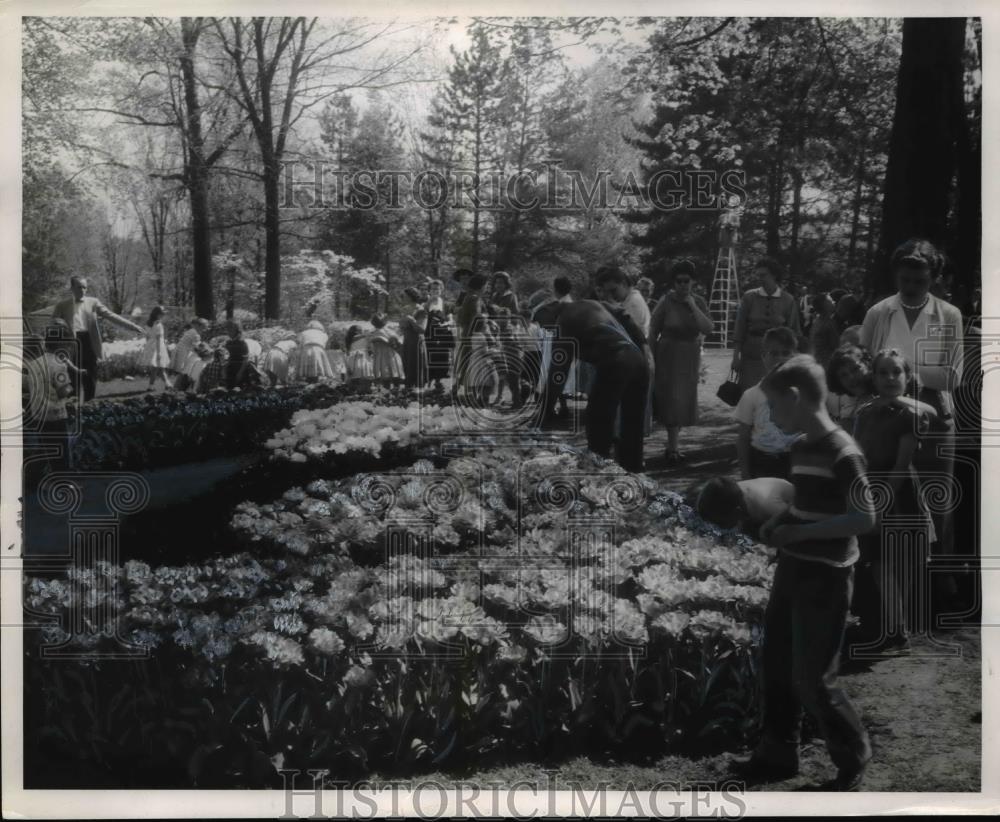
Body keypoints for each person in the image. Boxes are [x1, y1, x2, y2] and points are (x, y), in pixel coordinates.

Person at [731, 354, 875, 792]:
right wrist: (782, 522)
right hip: (793, 567)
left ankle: (853, 752)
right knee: (775, 662)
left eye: (774, 406)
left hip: (828, 576)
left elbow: (864, 518)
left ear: (795, 398)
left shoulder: (843, 452)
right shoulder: (800, 448)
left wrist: (802, 532)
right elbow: (803, 501)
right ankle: (777, 752)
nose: (770, 416)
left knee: (814, 677)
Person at [860, 238, 963, 566]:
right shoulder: (880, 313)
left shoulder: (948, 314)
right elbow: (863, 366)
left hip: (935, 415)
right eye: (905, 280)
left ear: (934, 278)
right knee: (888, 495)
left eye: (920, 281)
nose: (912, 287)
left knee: (937, 500)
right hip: (886, 414)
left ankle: (938, 582)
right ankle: (887, 580)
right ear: (895, 276)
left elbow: (954, 375)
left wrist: (906, 372)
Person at [850, 349, 939, 655]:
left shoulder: (911, 415)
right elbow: (858, 454)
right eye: (883, 372)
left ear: (907, 376)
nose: (890, 378)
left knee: (901, 561)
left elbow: (901, 465)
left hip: (898, 493)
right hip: (869, 488)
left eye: (896, 372)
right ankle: (895, 629)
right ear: (873, 377)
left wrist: (881, 502)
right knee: (877, 562)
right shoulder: (864, 412)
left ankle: (899, 628)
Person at [541, 299, 652, 473]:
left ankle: (600, 473)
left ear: (550, 311)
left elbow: (558, 374)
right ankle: (634, 471)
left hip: (615, 361)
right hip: (637, 359)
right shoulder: (592, 303)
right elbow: (625, 316)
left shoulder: (565, 321)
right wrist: (644, 345)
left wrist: (544, 413)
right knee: (632, 424)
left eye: (543, 323)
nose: (544, 329)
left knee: (598, 420)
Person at [649, 260, 713, 464]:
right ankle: (672, 447)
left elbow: (707, 328)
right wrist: (650, 357)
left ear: (693, 282)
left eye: (687, 281)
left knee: (683, 399)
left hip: (690, 355)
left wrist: (692, 305)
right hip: (668, 353)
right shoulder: (665, 301)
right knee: (672, 399)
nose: (683, 285)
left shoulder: (699, 302)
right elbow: (653, 330)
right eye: (679, 281)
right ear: (673, 283)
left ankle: (673, 445)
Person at [50, 275, 145, 401]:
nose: (82, 290)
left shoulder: (93, 302)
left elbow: (111, 315)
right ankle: (72, 407)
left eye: (85, 287)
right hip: (71, 343)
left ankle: (90, 405)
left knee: (90, 375)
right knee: (73, 376)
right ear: (72, 288)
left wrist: (132, 326)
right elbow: (53, 325)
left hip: (89, 341)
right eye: (79, 287)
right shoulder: (62, 305)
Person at [733, 327, 800, 480]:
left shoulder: (803, 393)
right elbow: (743, 438)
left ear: (794, 356)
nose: (780, 358)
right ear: (763, 356)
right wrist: (745, 473)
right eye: (774, 353)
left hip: (797, 461)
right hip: (763, 463)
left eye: (786, 353)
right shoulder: (751, 395)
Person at [22, 322, 85, 478]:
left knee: (47, 448)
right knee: (61, 450)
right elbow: (63, 390)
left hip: (38, 413)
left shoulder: (34, 364)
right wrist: (73, 395)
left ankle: (40, 477)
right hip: (54, 415)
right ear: (60, 344)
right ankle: (62, 483)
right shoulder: (58, 364)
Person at [731, 258, 801, 390]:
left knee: (774, 393)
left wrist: (792, 358)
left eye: (763, 275)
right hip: (751, 355)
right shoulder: (749, 297)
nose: (759, 278)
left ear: (774, 275)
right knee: (749, 392)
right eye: (758, 275)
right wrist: (736, 357)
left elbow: (793, 332)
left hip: (777, 355)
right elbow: (739, 329)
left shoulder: (788, 300)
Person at [689, 476, 794, 535]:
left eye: (721, 523)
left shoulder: (768, 507)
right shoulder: (727, 493)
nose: (719, 527)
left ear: (738, 511)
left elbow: (797, 524)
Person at [824, 344, 876, 430]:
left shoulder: (883, 396)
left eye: (855, 369)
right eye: (844, 375)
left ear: (867, 364)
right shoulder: (848, 406)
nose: (851, 377)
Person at [454, 274, 488, 400]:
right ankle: (467, 392)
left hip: (467, 333)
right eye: (486, 285)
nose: (486, 288)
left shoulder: (468, 297)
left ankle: (458, 389)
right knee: (471, 362)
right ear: (481, 286)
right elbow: (476, 316)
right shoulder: (474, 298)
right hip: (473, 334)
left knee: (466, 361)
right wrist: (485, 320)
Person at [401, 287, 429, 389]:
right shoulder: (404, 309)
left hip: (417, 341)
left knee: (417, 363)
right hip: (407, 340)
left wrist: (412, 320)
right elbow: (402, 327)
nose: (403, 298)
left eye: (405, 296)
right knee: (407, 363)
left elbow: (422, 329)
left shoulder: (421, 310)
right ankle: (409, 387)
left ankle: (419, 388)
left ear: (411, 296)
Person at [170, 318, 209, 383]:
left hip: (181, 349)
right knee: (182, 369)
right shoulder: (196, 334)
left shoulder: (192, 330)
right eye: (203, 328)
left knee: (179, 369)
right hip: (183, 351)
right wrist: (205, 350)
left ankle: (174, 384)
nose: (204, 330)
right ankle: (176, 385)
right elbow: (196, 347)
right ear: (198, 326)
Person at [142, 306, 172, 392]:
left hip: (150, 345)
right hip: (158, 347)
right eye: (162, 314)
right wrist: (159, 352)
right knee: (157, 367)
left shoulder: (148, 324)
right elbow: (158, 339)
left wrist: (148, 346)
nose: (163, 316)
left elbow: (147, 337)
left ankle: (167, 384)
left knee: (159, 367)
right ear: (157, 315)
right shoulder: (158, 325)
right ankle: (152, 386)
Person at [369, 314, 405, 384]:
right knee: (394, 371)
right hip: (390, 354)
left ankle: (386, 388)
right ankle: (395, 388)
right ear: (385, 322)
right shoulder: (389, 332)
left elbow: (370, 344)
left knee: (383, 373)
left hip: (379, 355)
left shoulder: (372, 333)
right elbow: (398, 342)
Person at [809, 293, 840, 369]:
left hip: (818, 361)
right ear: (825, 306)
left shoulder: (817, 321)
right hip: (827, 364)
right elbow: (835, 345)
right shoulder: (828, 323)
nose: (834, 301)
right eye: (831, 300)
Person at [224, 321, 250, 389]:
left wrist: (240, 373)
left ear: (236, 331)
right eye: (227, 330)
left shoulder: (242, 343)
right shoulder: (228, 343)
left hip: (240, 368)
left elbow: (245, 359)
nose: (228, 332)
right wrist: (225, 368)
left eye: (230, 330)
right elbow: (228, 357)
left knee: (240, 390)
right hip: (231, 369)